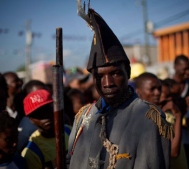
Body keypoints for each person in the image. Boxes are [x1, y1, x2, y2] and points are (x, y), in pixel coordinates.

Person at [67, 7, 172, 169]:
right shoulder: (83, 117)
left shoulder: (148, 118)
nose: (107, 83)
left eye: (115, 73)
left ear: (128, 72)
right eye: (99, 77)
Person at [134, 72, 188, 169]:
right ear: (138, 92)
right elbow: (173, 152)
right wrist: (179, 116)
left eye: (159, 88)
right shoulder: (140, 119)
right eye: (152, 89)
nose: (157, 93)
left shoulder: (161, 114)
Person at [21, 89, 71, 169]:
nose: (45, 117)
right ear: (31, 119)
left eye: (47, 110)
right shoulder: (31, 152)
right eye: (38, 114)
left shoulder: (69, 131)